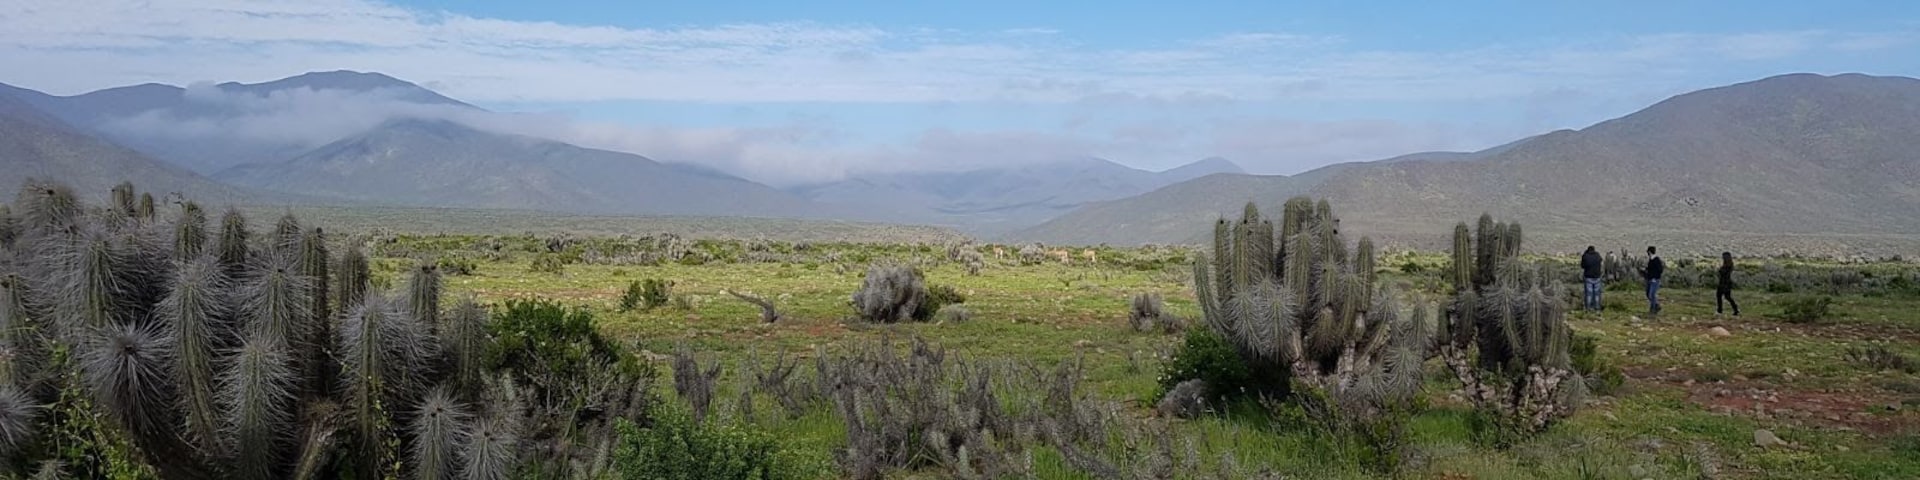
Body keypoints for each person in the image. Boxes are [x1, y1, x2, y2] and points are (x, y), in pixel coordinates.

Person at [1639, 246, 1664, 315]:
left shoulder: (1656, 260)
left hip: (1654, 280)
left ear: (1649, 252)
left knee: (1651, 294)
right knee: (1648, 293)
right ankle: (1656, 305)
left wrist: (1654, 277)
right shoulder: (1651, 260)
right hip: (1650, 279)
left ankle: (1653, 309)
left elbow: (1660, 270)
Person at [1580, 246, 1603, 311]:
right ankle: (1597, 307)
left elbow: (1582, 266)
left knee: (1589, 293)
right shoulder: (1597, 255)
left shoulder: (1586, 256)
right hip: (1597, 276)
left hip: (1588, 277)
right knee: (1597, 293)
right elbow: (1600, 261)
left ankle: (1588, 308)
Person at [1717, 251, 1740, 316]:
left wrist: (1720, 269)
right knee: (1727, 297)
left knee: (1721, 296)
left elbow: (1723, 273)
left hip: (1724, 283)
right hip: (1726, 283)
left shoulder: (1727, 266)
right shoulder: (1729, 264)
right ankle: (1735, 309)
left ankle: (1720, 311)